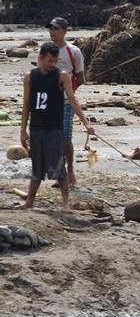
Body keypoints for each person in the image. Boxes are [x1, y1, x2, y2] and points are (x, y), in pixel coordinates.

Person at [20, 42, 94, 213]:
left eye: (55, 61)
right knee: (37, 167)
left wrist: (86, 123)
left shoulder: (62, 76)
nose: (52, 64)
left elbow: (73, 100)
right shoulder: (30, 76)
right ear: (40, 58)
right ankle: (30, 202)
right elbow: (26, 104)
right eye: (49, 61)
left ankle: (66, 203)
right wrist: (23, 130)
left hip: (54, 127)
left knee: (58, 167)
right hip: (37, 127)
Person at [47, 17, 85, 187]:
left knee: (65, 138)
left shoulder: (73, 51)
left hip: (66, 102)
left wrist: (69, 92)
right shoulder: (47, 50)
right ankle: (58, 173)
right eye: (50, 29)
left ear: (64, 31)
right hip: (48, 102)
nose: (52, 32)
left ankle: (70, 171)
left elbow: (81, 77)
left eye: (55, 29)